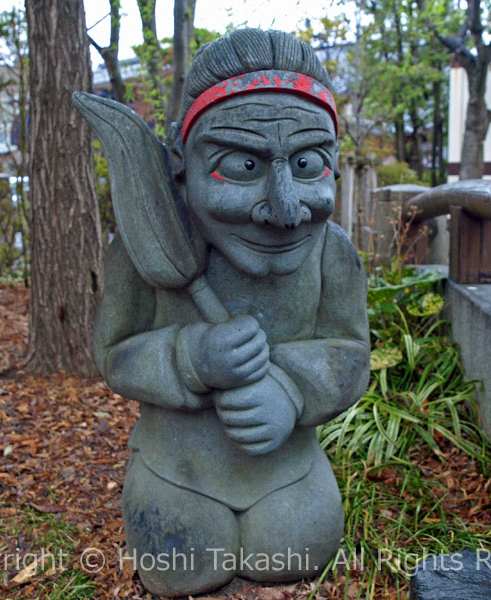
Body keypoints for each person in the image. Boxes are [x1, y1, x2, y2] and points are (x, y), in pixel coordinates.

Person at [92, 28, 370, 597]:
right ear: (180, 161)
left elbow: (351, 351)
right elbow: (114, 355)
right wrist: (187, 358)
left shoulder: (331, 251)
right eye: (242, 166)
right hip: (179, 472)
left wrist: (291, 390)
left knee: (294, 547)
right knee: (182, 563)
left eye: (310, 163)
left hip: (288, 472)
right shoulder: (142, 251)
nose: (285, 209)